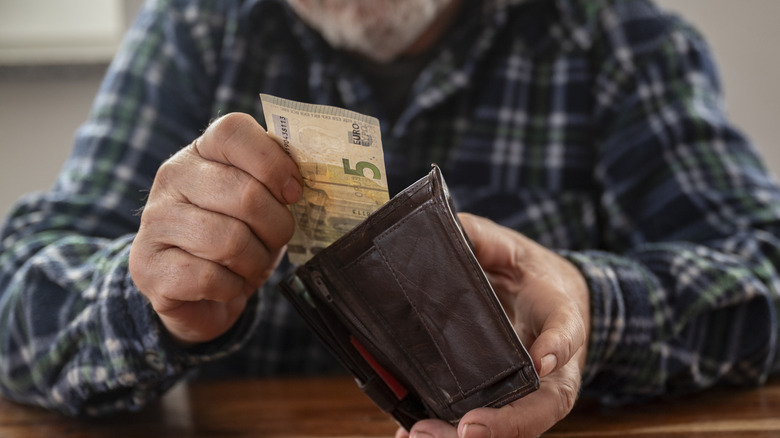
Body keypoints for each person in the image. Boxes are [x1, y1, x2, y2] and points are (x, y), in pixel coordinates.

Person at [1, 0, 779, 437]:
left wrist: (588, 300)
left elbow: (764, 266)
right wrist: (153, 299)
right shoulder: (192, 34)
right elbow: (16, 294)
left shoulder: (617, 40)